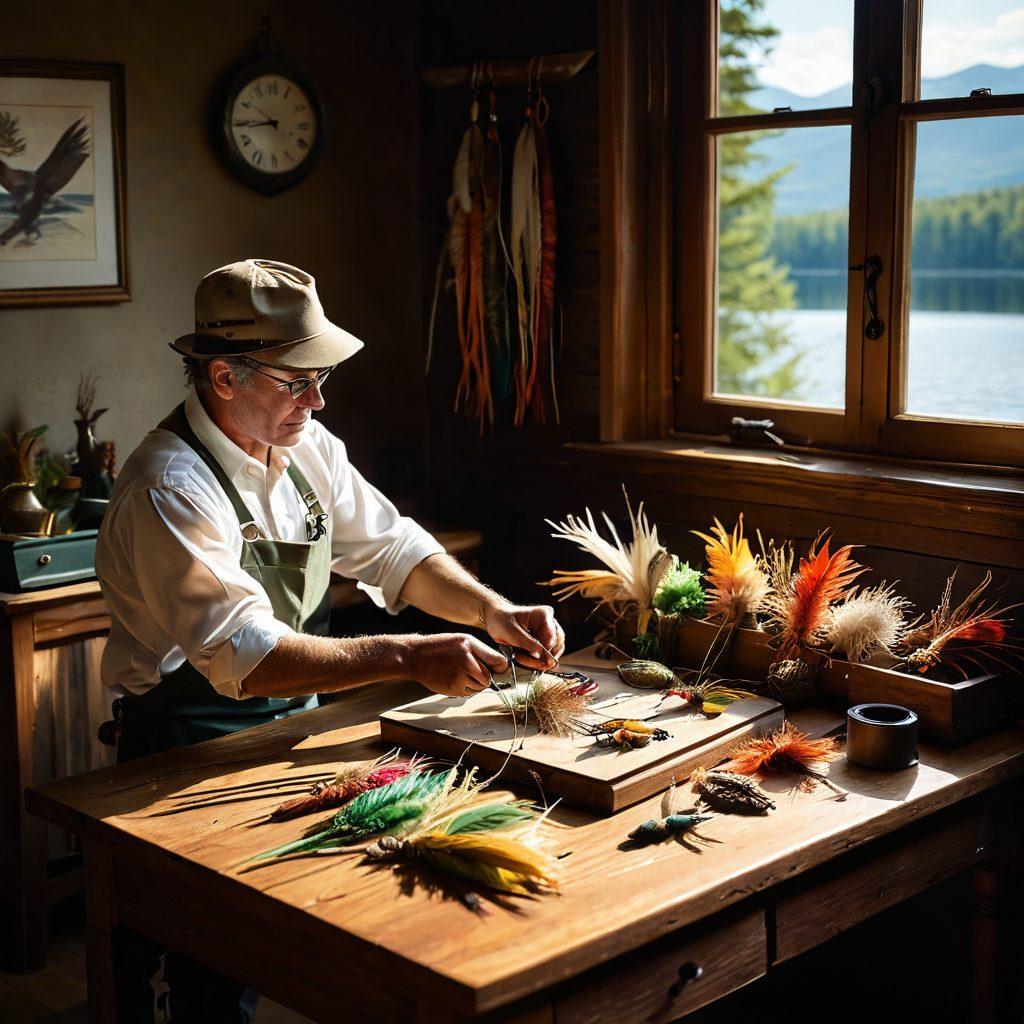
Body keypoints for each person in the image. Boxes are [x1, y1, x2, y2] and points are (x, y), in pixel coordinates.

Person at [95, 258, 565, 1022]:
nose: (317, 400)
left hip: (294, 726)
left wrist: (490, 609)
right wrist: (408, 655)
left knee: (280, 935)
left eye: (321, 378)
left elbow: (395, 550)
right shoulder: (168, 487)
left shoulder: (308, 447)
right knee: (208, 960)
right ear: (223, 377)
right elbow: (247, 654)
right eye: (297, 382)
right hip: (183, 749)